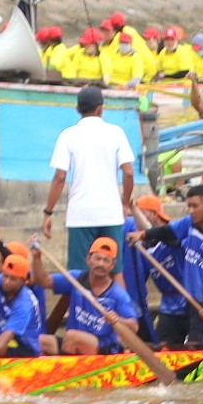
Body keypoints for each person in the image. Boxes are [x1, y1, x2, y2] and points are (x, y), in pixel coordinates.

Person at [42, 84, 136, 272]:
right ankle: (121, 302)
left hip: (81, 215)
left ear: (78, 109)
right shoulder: (116, 133)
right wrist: (124, 204)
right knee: (114, 271)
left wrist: (48, 212)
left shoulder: (68, 136)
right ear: (101, 108)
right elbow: (129, 172)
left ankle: (81, 302)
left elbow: (60, 177)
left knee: (80, 274)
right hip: (111, 213)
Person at [135, 184, 203, 349]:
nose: (190, 210)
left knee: (195, 347)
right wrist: (143, 234)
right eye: (188, 206)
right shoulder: (189, 223)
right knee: (161, 346)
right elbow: (167, 232)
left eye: (195, 206)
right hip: (184, 298)